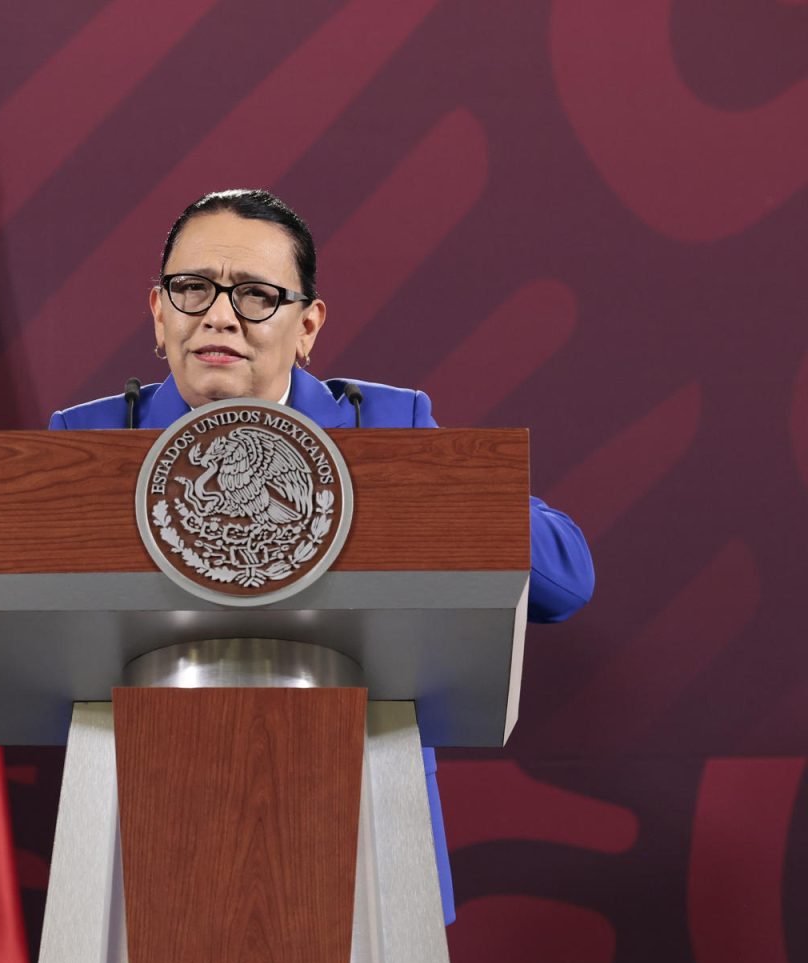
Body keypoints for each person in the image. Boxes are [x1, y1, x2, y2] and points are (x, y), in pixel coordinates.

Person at [49, 189, 594, 924]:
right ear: (158, 313)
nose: (217, 315)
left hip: (363, 819)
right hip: (149, 832)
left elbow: (567, 580)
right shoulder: (87, 442)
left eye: (255, 295)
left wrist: (410, 477)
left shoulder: (386, 423)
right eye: (192, 289)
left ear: (307, 326)